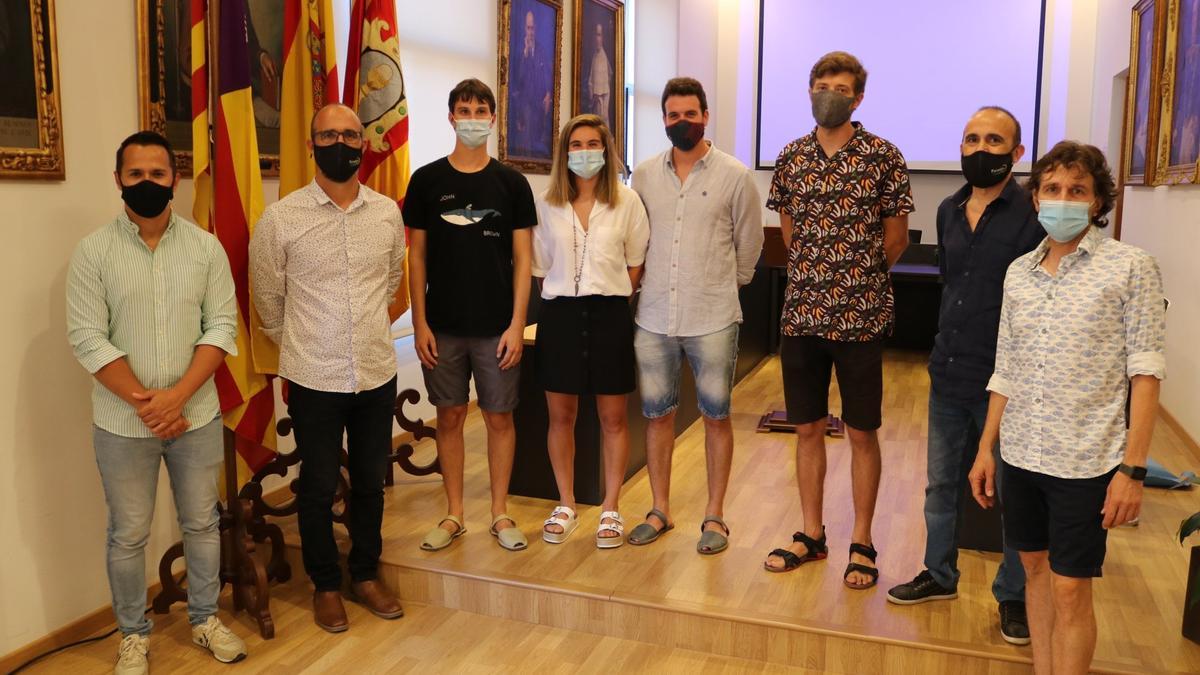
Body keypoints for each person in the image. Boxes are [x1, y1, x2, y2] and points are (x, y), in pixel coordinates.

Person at [969, 141, 1165, 674]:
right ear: (1035, 199)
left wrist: (1133, 469)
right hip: (1022, 455)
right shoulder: (1019, 273)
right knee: (1033, 572)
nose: (1063, 200)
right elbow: (1004, 368)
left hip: (1086, 461)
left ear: (1099, 200)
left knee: (1071, 589)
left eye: (1077, 190)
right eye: (1052, 189)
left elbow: (1145, 374)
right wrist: (987, 448)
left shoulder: (1130, 268)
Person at [67, 131, 247, 674]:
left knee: (200, 523)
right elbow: (87, 338)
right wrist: (150, 404)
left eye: (158, 174)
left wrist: (177, 398)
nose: (148, 183)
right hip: (123, 423)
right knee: (129, 532)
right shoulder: (93, 252)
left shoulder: (205, 247)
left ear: (175, 179)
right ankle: (133, 635)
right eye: (136, 174)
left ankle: (204, 619)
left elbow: (221, 326)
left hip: (196, 415)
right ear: (118, 178)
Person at [886, 107, 1043, 645]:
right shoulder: (949, 209)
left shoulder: (1036, 214)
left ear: (1016, 153)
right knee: (941, 485)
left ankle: (1014, 597)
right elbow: (950, 284)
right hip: (950, 372)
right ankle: (939, 574)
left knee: (1012, 493)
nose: (981, 148)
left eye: (994, 140)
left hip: (1012, 381)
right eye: (972, 138)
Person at [250, 104, 406, 633]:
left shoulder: (386, 213)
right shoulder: (282, 218)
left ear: (363, 145)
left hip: (375, 372)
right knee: (315, 486)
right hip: (313, 376)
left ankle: (364, 574)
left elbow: (390, 285)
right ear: (312, 143)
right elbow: (268, 303)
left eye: (351, 134)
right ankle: (325, 584)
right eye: (329, 134)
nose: (341, 142)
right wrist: (308, 341)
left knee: (368, 482)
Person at [762, 51, 913, 589]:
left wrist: (855, 277)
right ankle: (811, 533)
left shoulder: (883, 156)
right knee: (806, 430)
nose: (830, 92)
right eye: (822, 84)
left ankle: (864, 540)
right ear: (809, 91)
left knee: (862, 432)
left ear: (858, 97)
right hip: (801, 315)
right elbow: (790, 233)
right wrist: (820, 277)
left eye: (841, 86)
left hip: (861, 318)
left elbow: (895, 238)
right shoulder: (791, 156)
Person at [625, 77, 764, 555]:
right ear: (663, 119)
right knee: (657, 417)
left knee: (715, 417)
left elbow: (750, 245)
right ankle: (660, 509)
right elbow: (634, 240)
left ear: (706, 115)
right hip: (654, 317)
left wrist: (724, 283)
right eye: (672, 115)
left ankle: (715, 516)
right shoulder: (642, 176)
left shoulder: (735, 175)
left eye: (690, 113)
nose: (681, 122)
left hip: (713, 318)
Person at [406, 79, 535, 553]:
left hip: (497, 326)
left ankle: (499, 513)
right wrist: (419, 323)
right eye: (464, 109)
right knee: (450, 416)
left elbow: (524, 259)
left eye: (482, 109)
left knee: (500, 418)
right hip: (441, 326)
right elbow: (415, 257)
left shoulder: (511, 183)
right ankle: (454, 513)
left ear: (493, 118)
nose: (473, 117)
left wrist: (518, 323)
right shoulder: (426, 181)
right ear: (450, 117)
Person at [533, 114, 649, 547]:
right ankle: (565, 502)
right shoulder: (547, 204)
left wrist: (609, 295)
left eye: (592, 143)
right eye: (575, 144)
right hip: (560, 316)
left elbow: (635, 262)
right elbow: (541, 267)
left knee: (613, 418)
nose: (584, 152)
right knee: (561, 416)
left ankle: (611, 507)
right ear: (565, 153)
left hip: (610, 316)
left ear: (606, 149)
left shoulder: (628, 201)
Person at [511, 10, 552, 158]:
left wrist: (548, 94)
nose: (530, 32)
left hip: (538, 105)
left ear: (536, 28)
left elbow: (547, 74)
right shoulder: (519, 51)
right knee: (525, 142)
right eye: (528, 28)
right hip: (524, 105)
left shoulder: (541, 50)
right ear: (524, 29)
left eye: (532, 28)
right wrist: (526, 53)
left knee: (537, 141)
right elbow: (517, 79)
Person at [587, 23, 612, 126]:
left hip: (601, 101)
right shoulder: (594, 56)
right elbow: (591, 80)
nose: (597, 39)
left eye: (599, 35)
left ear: (603, 37)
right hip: (595, 101)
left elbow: (608, 77)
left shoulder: (603, 57)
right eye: (596, 35)